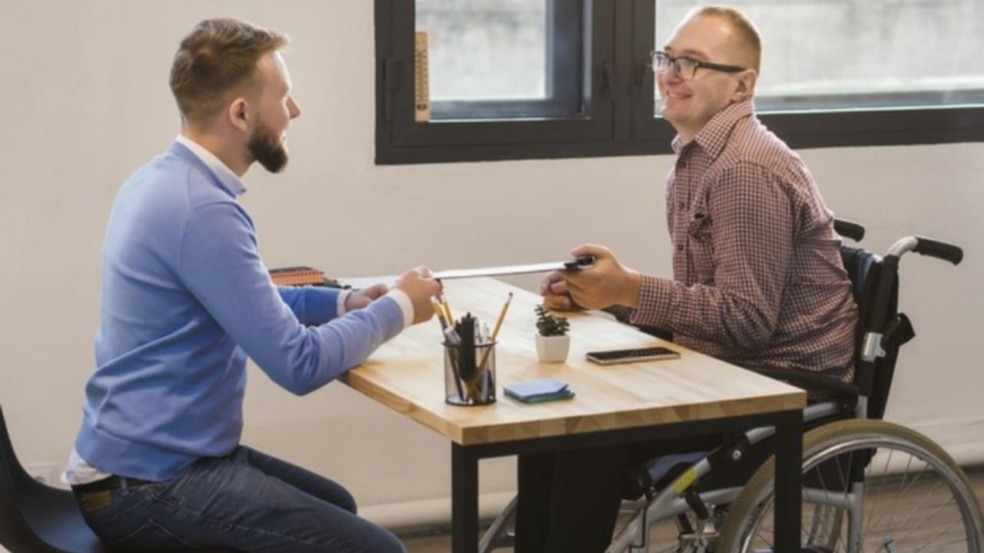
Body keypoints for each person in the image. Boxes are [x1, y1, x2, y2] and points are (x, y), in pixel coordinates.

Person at [62, 18, 442, 553]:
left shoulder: (162, 180)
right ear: (240, 114)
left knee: (338, 505)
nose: (295, 110)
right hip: (149, 484)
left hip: (137, 465)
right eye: (283, 97)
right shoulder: (201, 209)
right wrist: (400, 307)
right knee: (380, 550)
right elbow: (299, 364)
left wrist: (346, 302)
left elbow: (247, 302)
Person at [517, 6, 858, 552]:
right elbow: (711, 304)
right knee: (553, 420)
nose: (670, 75)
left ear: (742, 85)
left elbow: (746, 321)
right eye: (667, 59)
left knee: (586, 433)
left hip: (783, 388)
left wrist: (630, 288)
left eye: (691, 63)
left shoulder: (744, 170)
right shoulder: (697, 162)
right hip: (728, 367)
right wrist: (605, 295)